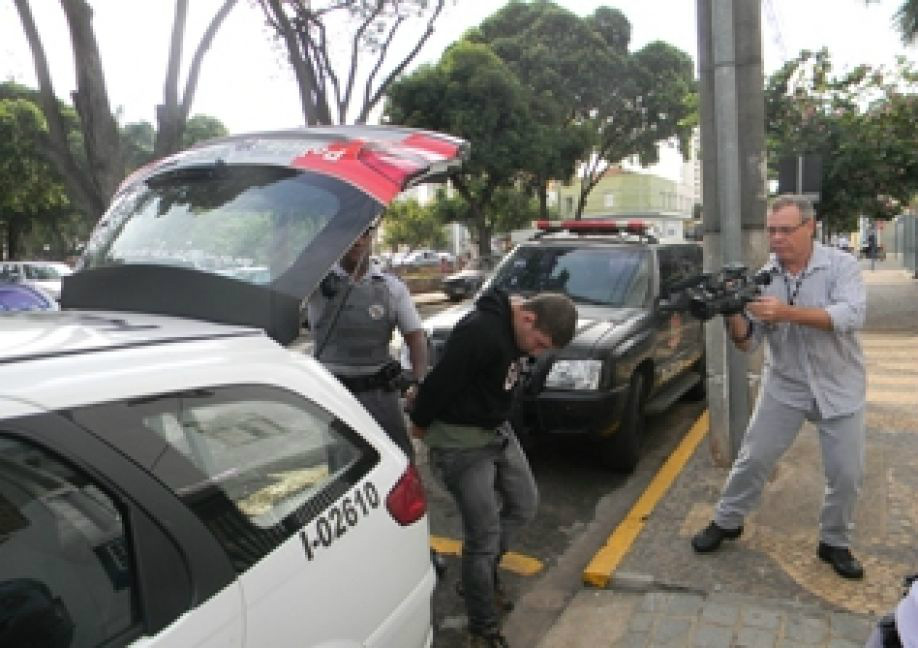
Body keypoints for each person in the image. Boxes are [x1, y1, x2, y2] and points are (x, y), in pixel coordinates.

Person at [691, 194, 868, 580]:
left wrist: (788, 313)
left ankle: (834, 541)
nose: (776, 238)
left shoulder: (841, 266)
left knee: (846, 473)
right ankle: (727, 520)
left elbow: (851, 314)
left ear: (810, 227)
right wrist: (733, 313)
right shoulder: (761, 278)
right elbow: (748, 343)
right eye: (772, 230)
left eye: (785, 230)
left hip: (839, 384)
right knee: (753, 458)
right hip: (785, 384)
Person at [408, 288, 577, 648]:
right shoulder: (482, 331)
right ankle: (482, 628)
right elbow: (442, 382)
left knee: (524, 504)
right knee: (482, 537)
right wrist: (420, 422)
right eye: (539, 343)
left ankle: (480, 575)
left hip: (495, 429)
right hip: (462, 442)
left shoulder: (517, 326)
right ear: (528, 318)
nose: (537, 352)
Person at [307, 227, 427, 461]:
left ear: (372, 238)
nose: (358, 240)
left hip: (380, 394)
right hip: (335, 395)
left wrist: (418, 381)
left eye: (365, 233)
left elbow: (416, 337)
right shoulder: (315, 284)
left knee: (398, 460)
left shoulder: (391, 287)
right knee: (345, 468)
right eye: (353, 233)